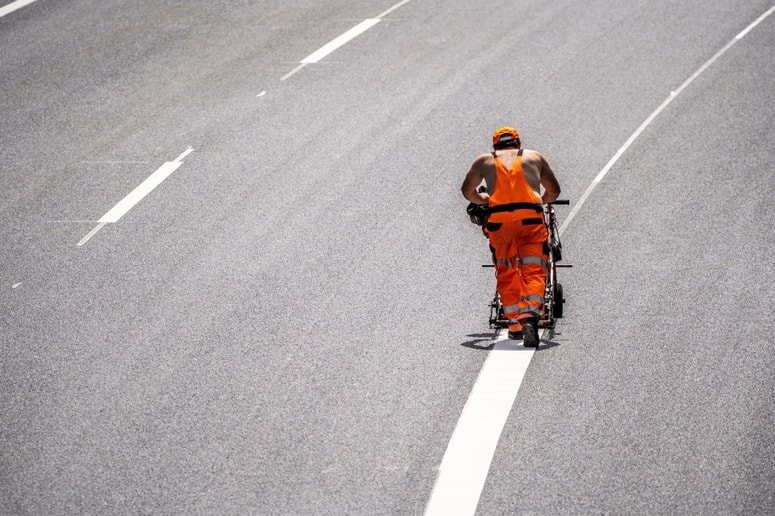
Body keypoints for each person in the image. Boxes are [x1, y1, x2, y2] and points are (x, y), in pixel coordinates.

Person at [461, 127, 561, 346]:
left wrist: (485, 198)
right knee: (533, 270)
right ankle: (530, 319)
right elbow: (554, 191)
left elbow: (467, 191)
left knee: (506, 269)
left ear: (495, 146)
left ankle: (514, 324)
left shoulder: (484, 161)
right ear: (518, 144)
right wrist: (538, 200)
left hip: (500, 223)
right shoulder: (534, 157)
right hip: (531, 220)